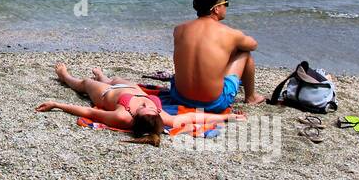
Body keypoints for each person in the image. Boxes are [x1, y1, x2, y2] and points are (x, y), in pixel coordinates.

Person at [36, 64, 242, 145]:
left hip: (107, 95)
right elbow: (194, 116)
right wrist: (225, 116)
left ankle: (65, 76)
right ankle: (104, 76)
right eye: (151, 108)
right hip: (127, 88)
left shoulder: (122, 116)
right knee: (115, 78)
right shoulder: (160, 115)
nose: (147, 105)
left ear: (135, 117)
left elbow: (88, 110)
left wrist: (56, 104)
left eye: (145, 108)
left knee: (84, 84)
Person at [170, 0, 264, 110]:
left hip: (180, 98)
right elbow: (253, 45)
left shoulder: (179, 30)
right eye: (226, 3)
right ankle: (251, 97)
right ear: (216, 9)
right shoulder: (229, 33)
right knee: (244, 53)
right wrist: (236, 43)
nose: (226, 7)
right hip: (213, 103)